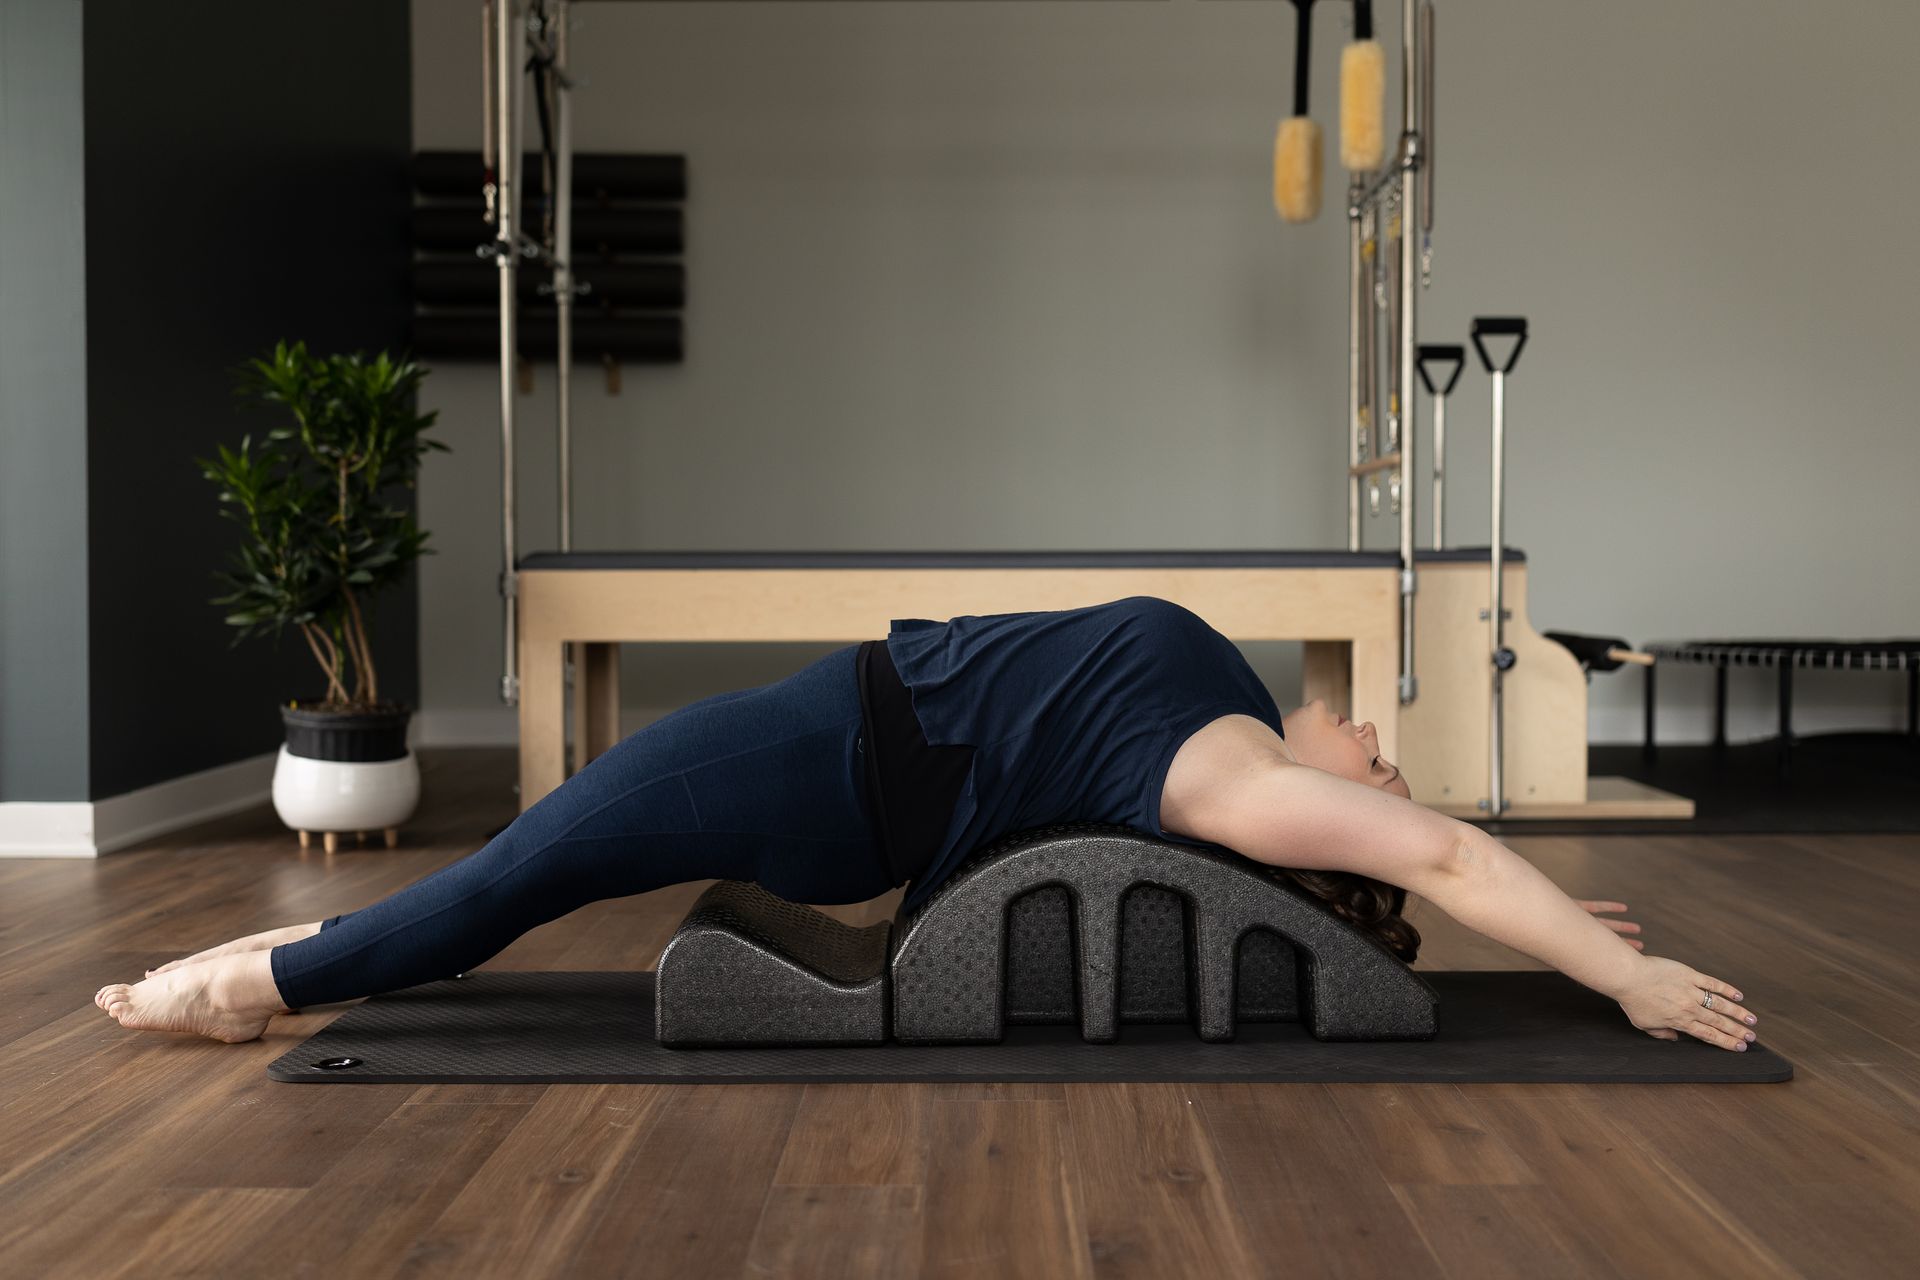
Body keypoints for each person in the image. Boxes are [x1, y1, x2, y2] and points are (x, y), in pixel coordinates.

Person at [95, 595, 1759, 1053]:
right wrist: (1556, 931)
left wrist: (1619, 984)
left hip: (830, 770)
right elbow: (1454, 859)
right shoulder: (1242, 734)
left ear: (1323, 821)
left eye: (1377, 782)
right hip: (844, 739)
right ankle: (286, 962)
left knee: (521, 871)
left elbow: (1447, 857)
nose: (1384, 751)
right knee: (520, 867)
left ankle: (250, 990)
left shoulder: (1239, 785)